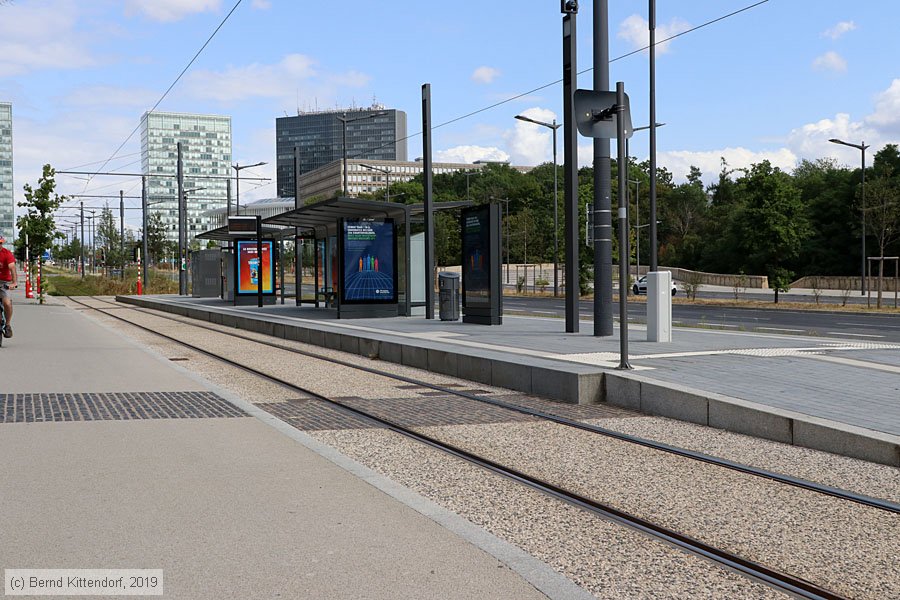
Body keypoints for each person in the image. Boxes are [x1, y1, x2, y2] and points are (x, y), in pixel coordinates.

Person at [0, 235, 18, 338]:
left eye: (0, 243)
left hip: (3, 282)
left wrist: (14, 283)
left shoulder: (7, 254)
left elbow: (12, 268)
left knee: (7, 303)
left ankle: (7, 325)